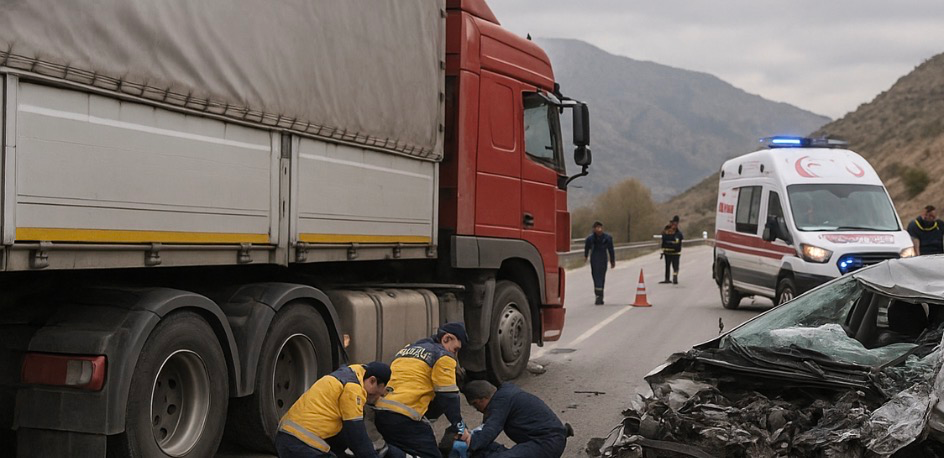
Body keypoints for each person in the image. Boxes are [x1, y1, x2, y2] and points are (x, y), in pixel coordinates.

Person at [375, 322, 470, 458]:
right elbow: (448, 397)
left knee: (405, 449)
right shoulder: (443, 356)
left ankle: (390, 452)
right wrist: (461, 428)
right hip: (404, 417)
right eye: (455, 349)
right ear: (446, 338)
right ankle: (388, 453)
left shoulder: (406, 350)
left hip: (381, 412)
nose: (455, 355)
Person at [276, 362, 392, 458]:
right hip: (301, 443)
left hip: (287, 438)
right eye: (377, 394)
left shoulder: (345, 376)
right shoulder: (353, 389)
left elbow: (342, 436)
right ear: (372, 381)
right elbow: (356, 435)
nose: (375, 398)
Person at [462, 380, 567, 458]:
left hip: (546, 443)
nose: (476, 410)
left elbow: (491, 429)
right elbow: (485, 429)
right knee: (484, 450)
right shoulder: (504, 395)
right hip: (544, 438)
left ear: (481, 400)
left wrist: (468, 444)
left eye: (475, 405)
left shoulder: (500, 401)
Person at [584, 221, 615, 305]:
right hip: (594, 259)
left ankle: (600, 296)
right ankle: (598, 296)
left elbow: (611, 250)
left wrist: (612, 261)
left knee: (601, 277)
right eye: (597, 228)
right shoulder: (590, 239)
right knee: (595, 277)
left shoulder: (607, 238)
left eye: (600, 228)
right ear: (594, 229)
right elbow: (586, 249)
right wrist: (585, 256)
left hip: (603, 259)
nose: (599, 230)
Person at [660, 216, 683, 284]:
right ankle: (675, 276)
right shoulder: (678, 233)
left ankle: (667, 279)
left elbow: (663, 239)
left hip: (667, 252)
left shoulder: (666, 231)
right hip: (675, 252)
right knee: (675, 266)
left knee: (667, 266)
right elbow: (680, 239)